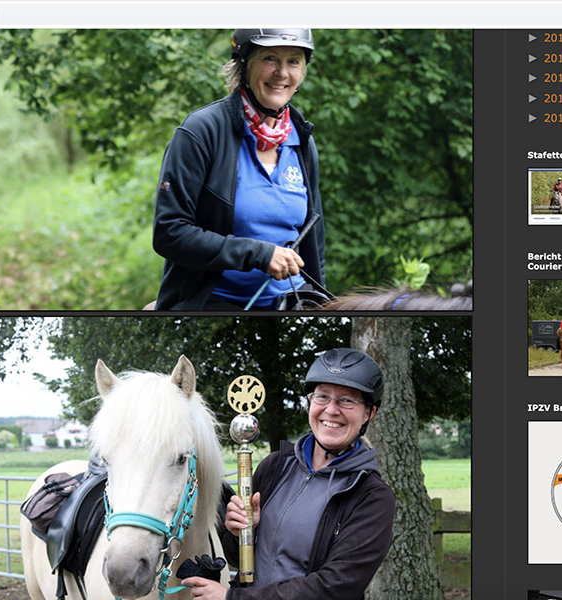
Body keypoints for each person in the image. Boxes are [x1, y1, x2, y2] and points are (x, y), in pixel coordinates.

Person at [185, 348, 395, 599]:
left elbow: (336, 586)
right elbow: (236, 559)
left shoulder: (372, 496)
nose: (331, 410)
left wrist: (233, 598)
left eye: (347, 400)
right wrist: (239, 534)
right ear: (309, 403)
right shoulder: (276, 466)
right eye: (322, 397)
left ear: (369, 413)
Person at [152, 29, 325, 310]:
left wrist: (320, 302)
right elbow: (170, 233)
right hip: (215, 301)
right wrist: (258, 253)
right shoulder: (201, 131)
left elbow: (314, 242)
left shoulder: (302, 141)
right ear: (243, 63)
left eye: (294, 61)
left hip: (289, 301)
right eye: (270, 58)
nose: (282, 72)